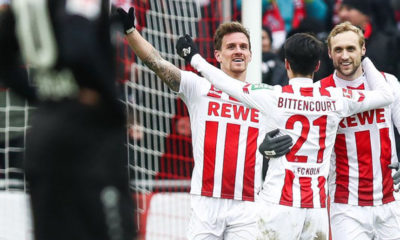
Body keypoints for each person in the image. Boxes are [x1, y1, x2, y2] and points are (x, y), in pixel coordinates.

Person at [176, 32, 393, 239]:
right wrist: (363, 60)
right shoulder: (337, 99)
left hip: (279, 206)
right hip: (315, 209)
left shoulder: (274, 96)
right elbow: (385, 95)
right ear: (317, 66)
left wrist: (195, 58)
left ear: (287, 64)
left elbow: (226, 84)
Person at [117, 7, 292, 240]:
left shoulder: (265, 95)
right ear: (218, 55)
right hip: (205, 204)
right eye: (231, 47)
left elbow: (284, 138)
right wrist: (130, 32)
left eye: (243, 47)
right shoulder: (198, 88)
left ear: (251, 55)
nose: (238, 51)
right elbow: (156, 63)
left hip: (248, 206)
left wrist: (271, 150)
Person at [0, 1, 135, 240]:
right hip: (88, 137)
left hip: (43, 135)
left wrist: (41, 96)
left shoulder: (24, 4)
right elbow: (79, 47)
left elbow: (4, 56)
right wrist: (112, 106)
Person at [314, 21, 400, 240]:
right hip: (346, 205)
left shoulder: (388, 83)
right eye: (338, 50)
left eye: (351, 48)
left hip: (391, 201)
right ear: (329, 53)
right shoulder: (318, 92)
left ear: (363, 50)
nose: (344, 56)